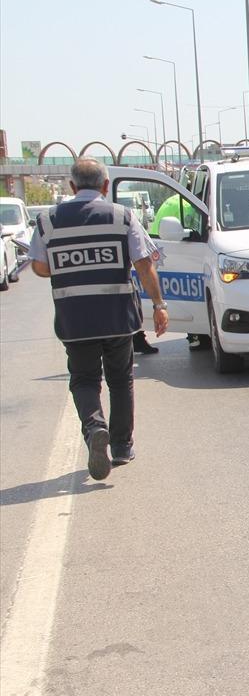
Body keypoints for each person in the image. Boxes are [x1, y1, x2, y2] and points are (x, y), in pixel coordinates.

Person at [28, 158, 169, 480]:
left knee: (84, 380)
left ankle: (94, 429)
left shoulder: (48, 220)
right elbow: (143, 264)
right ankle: (121, 447)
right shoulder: (122, 216)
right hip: (117, 316)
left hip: (74, 318)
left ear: (72, 186)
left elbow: (40, 266)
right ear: (106, 186)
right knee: (120, 380)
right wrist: (159, 305)